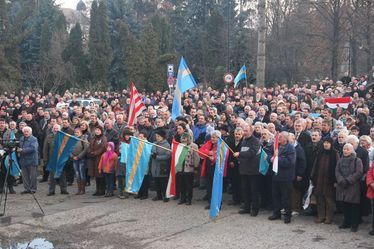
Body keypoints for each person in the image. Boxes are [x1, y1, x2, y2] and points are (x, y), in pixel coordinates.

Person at [268, 131, 296, 224]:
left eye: (280, 137)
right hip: (276, 176)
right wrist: (270, 158)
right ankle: (276, 213)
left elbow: (290, 162)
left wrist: (277, 158)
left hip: (286, 177)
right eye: (278, 136)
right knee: (275, 196)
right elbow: (268, 155)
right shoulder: (276, 146)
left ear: (285, 138)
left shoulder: (290, 148)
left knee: (286, 197)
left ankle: (288, 215)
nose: (278, 138)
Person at [234, 124, 261, 216]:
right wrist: (239, 159)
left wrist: (240, 154)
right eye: (243, 131)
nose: (244, 133)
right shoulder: (244, 141)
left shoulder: (256, 141)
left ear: (251, 131)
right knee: (245, 190)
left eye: (246, 131)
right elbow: (244, 153)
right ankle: (246, 207)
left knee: (254, 191)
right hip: (244, 169)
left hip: (253, 171)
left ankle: (255, 209)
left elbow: (252, 152)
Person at [311, 138, 339, 224]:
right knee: (319, 198)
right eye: (324, 143)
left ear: (331, 144)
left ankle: (329, 217)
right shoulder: (320, 153)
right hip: (319, 179)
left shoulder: (335, 154)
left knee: (329, 199)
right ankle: (321, 216)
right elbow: (315, 165)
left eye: (327, 143)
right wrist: (312, 177)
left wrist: (336, 180)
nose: (326, 144)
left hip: (329, 180)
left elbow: (337, 167)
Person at [335, 143, 363, 232]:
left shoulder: (357, 160)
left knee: (353, 206)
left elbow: (359, 172)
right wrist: (341, 180)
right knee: (345, 205)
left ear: (351, 150)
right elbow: (337, 171)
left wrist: (348, 180)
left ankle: (354, 225)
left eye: (347, 149)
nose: (345, 151)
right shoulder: (340, 160)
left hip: (352, 186)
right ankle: (346, 222)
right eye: (344, 149)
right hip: (342, 185)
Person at [198, 130, 221, 209]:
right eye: (212, 137)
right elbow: (200, 151)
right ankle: (210, 202)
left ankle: (217, 204)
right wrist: (209, 153)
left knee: (216, 187)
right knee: (209, 186)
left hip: (217, 168)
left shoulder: (222, 145)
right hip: (208, 168)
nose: (212, 139)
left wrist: (214, 159)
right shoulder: (208, 143)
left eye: (214, 137)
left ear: (218, 138)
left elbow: (223, 156)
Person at [45, 124, 69, 196]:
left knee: (62, 175)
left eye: (57, 128)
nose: (55, 130)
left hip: (61, 159)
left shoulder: (64, 137)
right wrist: (45, 159)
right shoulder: (48, 137)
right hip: (52, 159)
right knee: (52, 176)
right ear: (52, 129)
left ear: (60, 129)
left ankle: (64, 189)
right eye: (54, 128)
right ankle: (51, 191)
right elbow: (45, 149)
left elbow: (67, 148)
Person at [178, 132, 200, 205]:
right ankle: (182, 198)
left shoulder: (194, 146)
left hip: (189, 168)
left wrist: (196, 167)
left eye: (186, 138)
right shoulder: (180, 145)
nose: (184, 139)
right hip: (181, 167)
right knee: (181, 184)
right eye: (183, 138)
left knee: (189, 185)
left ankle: (189, 199)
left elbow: (196, 157)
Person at [151, 129, 171, 202]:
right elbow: (151, 152)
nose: (157, 137)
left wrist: (157, 157)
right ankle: (158, 195)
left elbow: (168, 156)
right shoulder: (154, 143)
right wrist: (152, 155)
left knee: (163, 183)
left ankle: (165, 195)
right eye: (156, 136)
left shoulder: (166, 145)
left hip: (162, 166)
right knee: (157, 182)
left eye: (158, 136)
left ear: (162, 137)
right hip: (155, 165)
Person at [87, 126, 108, 196]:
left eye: (98, 130)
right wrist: (90, 152)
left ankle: (102, 190)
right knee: (96, 175)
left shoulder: (103, 138)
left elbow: (103, 148)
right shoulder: (93, 138)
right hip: (93, 159)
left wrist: (95, 153)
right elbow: (90, 146)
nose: (97, 131)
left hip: (100, 158)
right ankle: (97, 190)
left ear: (101, 131)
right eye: (96, 130)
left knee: (100, 175)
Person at [18, 126, 39, 194]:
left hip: (32, 160)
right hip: (23, 160)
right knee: (25, 176)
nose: (26, 133)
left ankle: (33, 189)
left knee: (32, 176)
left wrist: (22, 150)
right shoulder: (21, 139)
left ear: (30, 132)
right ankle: (27, 189)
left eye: (27, 131)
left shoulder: (34, 139)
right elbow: (19, 147)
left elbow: (33, 148)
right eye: (25, 131)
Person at [226, 127, 243, 206]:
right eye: (236, 134)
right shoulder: (231, 142)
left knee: (240, 183)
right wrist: (230, 161)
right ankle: (235, 199)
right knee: (233, 183)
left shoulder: (243, 142)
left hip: (240, 166)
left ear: (242, 135)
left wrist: (235, 162)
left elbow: (242, 154)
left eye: (239, 134)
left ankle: (241, 199)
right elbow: (228, 153)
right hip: (232, 166)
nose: (237, 136)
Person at [71, 127, 89, 195]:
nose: (76, 133)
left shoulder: (83, 139)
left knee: (82, 174)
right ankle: (79, 189)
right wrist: (72, 156)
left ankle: (83, 189)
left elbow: (86, 148)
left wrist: (79, 156)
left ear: (80, 132)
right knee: (77, 174)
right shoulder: (72, 138)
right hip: (74, 158)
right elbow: (69, 148)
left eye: (77, 132)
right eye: (75, 132)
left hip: (81, 159)